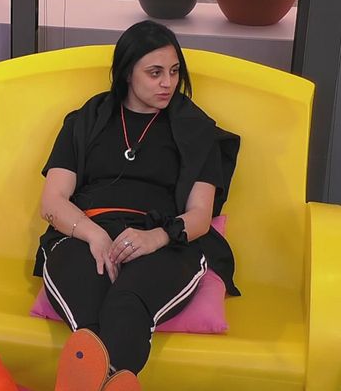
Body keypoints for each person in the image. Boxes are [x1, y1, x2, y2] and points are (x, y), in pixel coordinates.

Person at [36, 20, 240, 389]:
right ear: (127, 72)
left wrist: (156, 237)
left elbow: (200, 215)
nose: (168, 83)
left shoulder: (196, 131)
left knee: (125, 304)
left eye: (174, 71)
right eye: (155, 72)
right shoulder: (86, 121)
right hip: (86, 233)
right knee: (89, 309)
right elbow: (52, 200)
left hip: (164, 239)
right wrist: (94, 235)